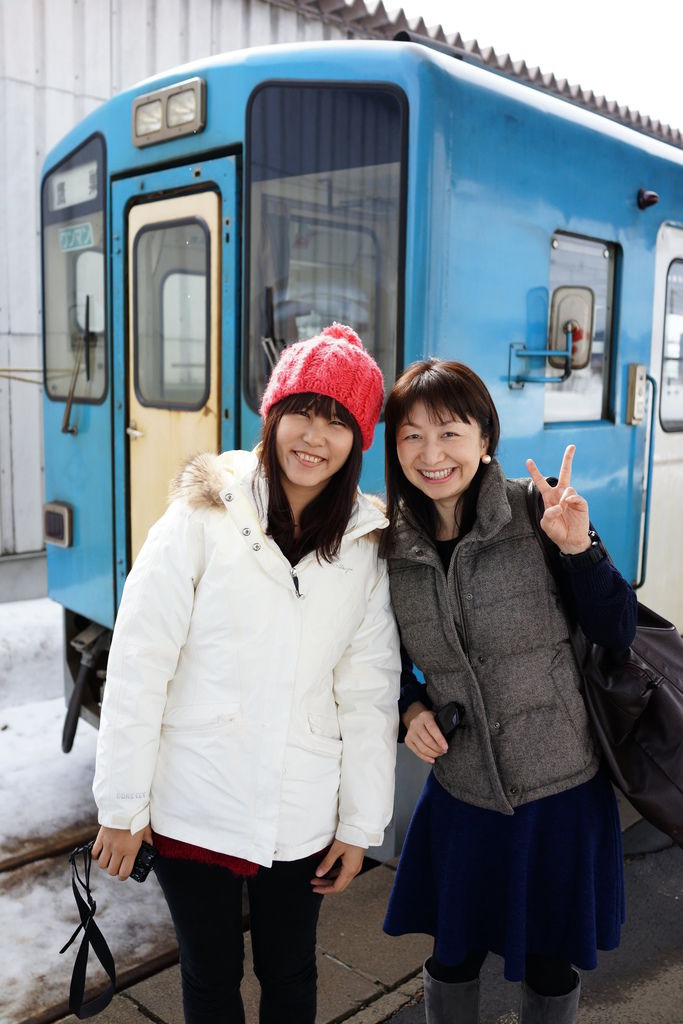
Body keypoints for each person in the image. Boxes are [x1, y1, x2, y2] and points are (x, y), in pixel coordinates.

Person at [91, 323, 401, 1024]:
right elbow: (140, 660)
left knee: (290, 971)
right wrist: (122, 806)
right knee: (209, 975)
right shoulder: (202, 514)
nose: (314, 438)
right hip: (195, 795)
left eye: (337, 422)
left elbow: (368, 691)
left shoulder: (363, 543)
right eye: (302, 413)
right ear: (272, 414)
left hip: (301, 808)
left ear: (358, 439)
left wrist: (359, 824)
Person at [380, 359, 637, 1024]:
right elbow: (380, 663)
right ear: (394, 449)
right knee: (451, 957)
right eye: (412, 436)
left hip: (559, 789)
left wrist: (580, 550)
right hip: (462, 791)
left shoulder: (536, 511)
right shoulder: (388, 548)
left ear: (484, 438)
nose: (432, 455)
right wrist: (408, 708)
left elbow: (617, 629)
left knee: (550, 961)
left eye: (449, 433)